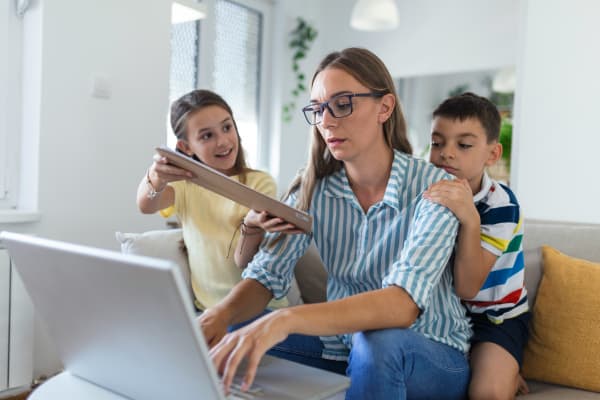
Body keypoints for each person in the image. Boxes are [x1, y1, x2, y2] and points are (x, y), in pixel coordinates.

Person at [198, 48, 472, 400]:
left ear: (384, 108)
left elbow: (402, 305)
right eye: (318, 108)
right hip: (341, 346)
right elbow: (265, 276)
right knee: (236, 329)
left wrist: (287, 319)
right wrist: (217, 315)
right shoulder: (311, 189)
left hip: (429, 352)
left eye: (343, 104)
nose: (326, 121)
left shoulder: (435, 188)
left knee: (376, 342)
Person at [136, 89, 290, 311]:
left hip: (261, 311)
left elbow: (246, 261)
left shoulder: (260, 183)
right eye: (207, 135)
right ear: (185, 147)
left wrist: (252, 227)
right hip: (210, 311)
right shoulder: (184, 185)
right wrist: (155, 176)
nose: (223, 141)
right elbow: (146, 205)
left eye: (227, 128)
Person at [424, 92, 530, 399]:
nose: (447, 153)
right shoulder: (427, 194)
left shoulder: (501, 205)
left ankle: (504, 370)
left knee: (487, 393)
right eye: (437, 142)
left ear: (492, 155)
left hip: (495, 318)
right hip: (444, 314)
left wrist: (469, 216)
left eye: (464, 145)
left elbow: (468, 287)